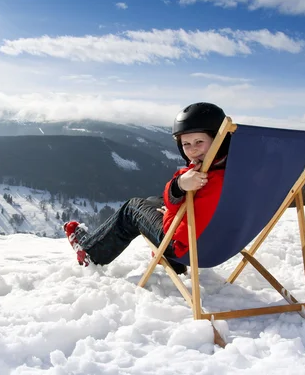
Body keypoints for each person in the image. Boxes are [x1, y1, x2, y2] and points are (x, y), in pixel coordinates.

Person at [63, 102, 231, 274]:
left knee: (133, 208)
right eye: (186, 144)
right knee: (152, 201)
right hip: (221, 246)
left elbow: (180, 229)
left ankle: (91, 252)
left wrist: (178, 188)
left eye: (199, 142)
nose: (193, 150)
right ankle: (170, 259)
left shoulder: (205, 178)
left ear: (218, 140)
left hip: (184, 248)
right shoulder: (235, 172)